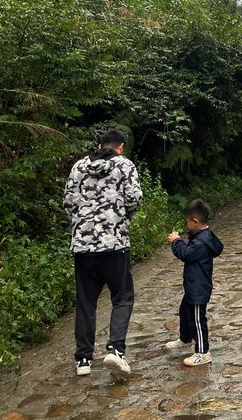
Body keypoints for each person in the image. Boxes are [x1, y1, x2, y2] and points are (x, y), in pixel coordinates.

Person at [63, 128, 142, 377]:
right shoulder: (124, 165)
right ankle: (115, 350)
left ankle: (83, 359)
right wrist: (122, 221)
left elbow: (68, 203)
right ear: (120, 147)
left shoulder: (78, 167)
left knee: (86, 301)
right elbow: (134, 199)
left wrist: (81, 227)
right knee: (122, 297)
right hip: (114, 244)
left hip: (83, 247)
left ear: (100, 145)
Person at [166, 198, 224, 367]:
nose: (186, 225)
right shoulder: (202, 235)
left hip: (199, 288)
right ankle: (185, 338)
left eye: (187, 222)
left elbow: (186, 254)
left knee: (198, 319)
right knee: (185, 311)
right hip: (192, 285)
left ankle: (203, 352)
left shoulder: (201, 242)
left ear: (195, 221)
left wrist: (176, 241)